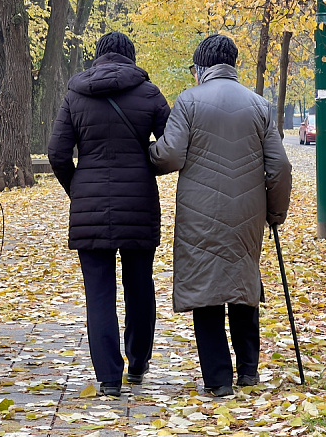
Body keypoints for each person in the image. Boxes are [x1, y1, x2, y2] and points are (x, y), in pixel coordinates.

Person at [149, 34, 292, 397]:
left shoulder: (189, 101)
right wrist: (275, 212)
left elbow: (170, 157)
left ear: (200, 68)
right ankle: (248, 371)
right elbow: (279, 167)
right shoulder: (260, 105)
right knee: (243, 285)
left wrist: (147, 150)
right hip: (248, 212)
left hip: (200, 212)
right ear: (232, 65)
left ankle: (217, 380)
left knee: (206, 289)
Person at [48, 32, 170, 397]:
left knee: (98, 291)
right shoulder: (149, 93)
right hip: (139, 202)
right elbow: (170, 146)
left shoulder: (75, 95)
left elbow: (57, 152)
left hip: (90, 206)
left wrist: (78, 187)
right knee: (139, 285)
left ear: (97, 56)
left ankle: (108, 378)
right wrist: (144, 163)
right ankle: (138, 363)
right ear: (130, 57)